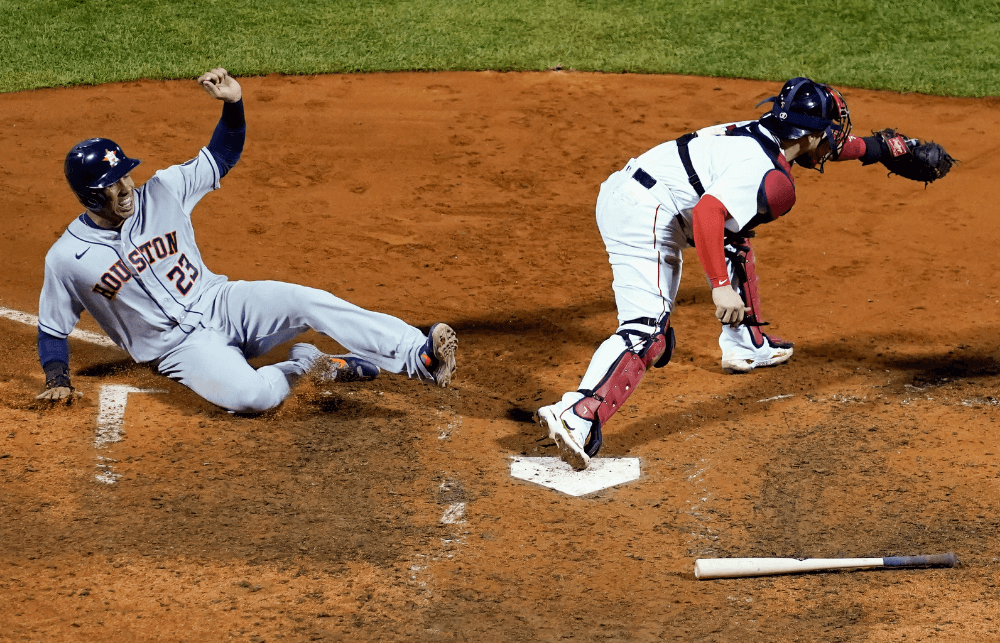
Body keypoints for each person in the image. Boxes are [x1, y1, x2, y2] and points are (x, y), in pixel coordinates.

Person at [537, 76, 927, 470]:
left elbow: (821, 146)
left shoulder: (759, 131)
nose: (835, 141)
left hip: (634, 194)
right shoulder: (771, 179)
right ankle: (578, 415)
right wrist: (720, 288)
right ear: (809, 135)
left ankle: (745, 343)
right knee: (647, 332)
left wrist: (878, 149)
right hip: (646, 216)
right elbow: (709, 212)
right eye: (830, 132)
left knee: (734, 238)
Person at [36, 68, 457, 413]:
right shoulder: (67, 259)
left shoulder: (164, 189)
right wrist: (57, 380)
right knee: (252, 398)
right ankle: (309, 365)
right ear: (91, 195)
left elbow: (222, 154)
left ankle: (417, 356)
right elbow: (52, 328)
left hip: (223, 302)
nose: (126, 187)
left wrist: (233, 104)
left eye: (126, 174)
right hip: (182, 350)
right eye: (113, 183)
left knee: (305, 300)